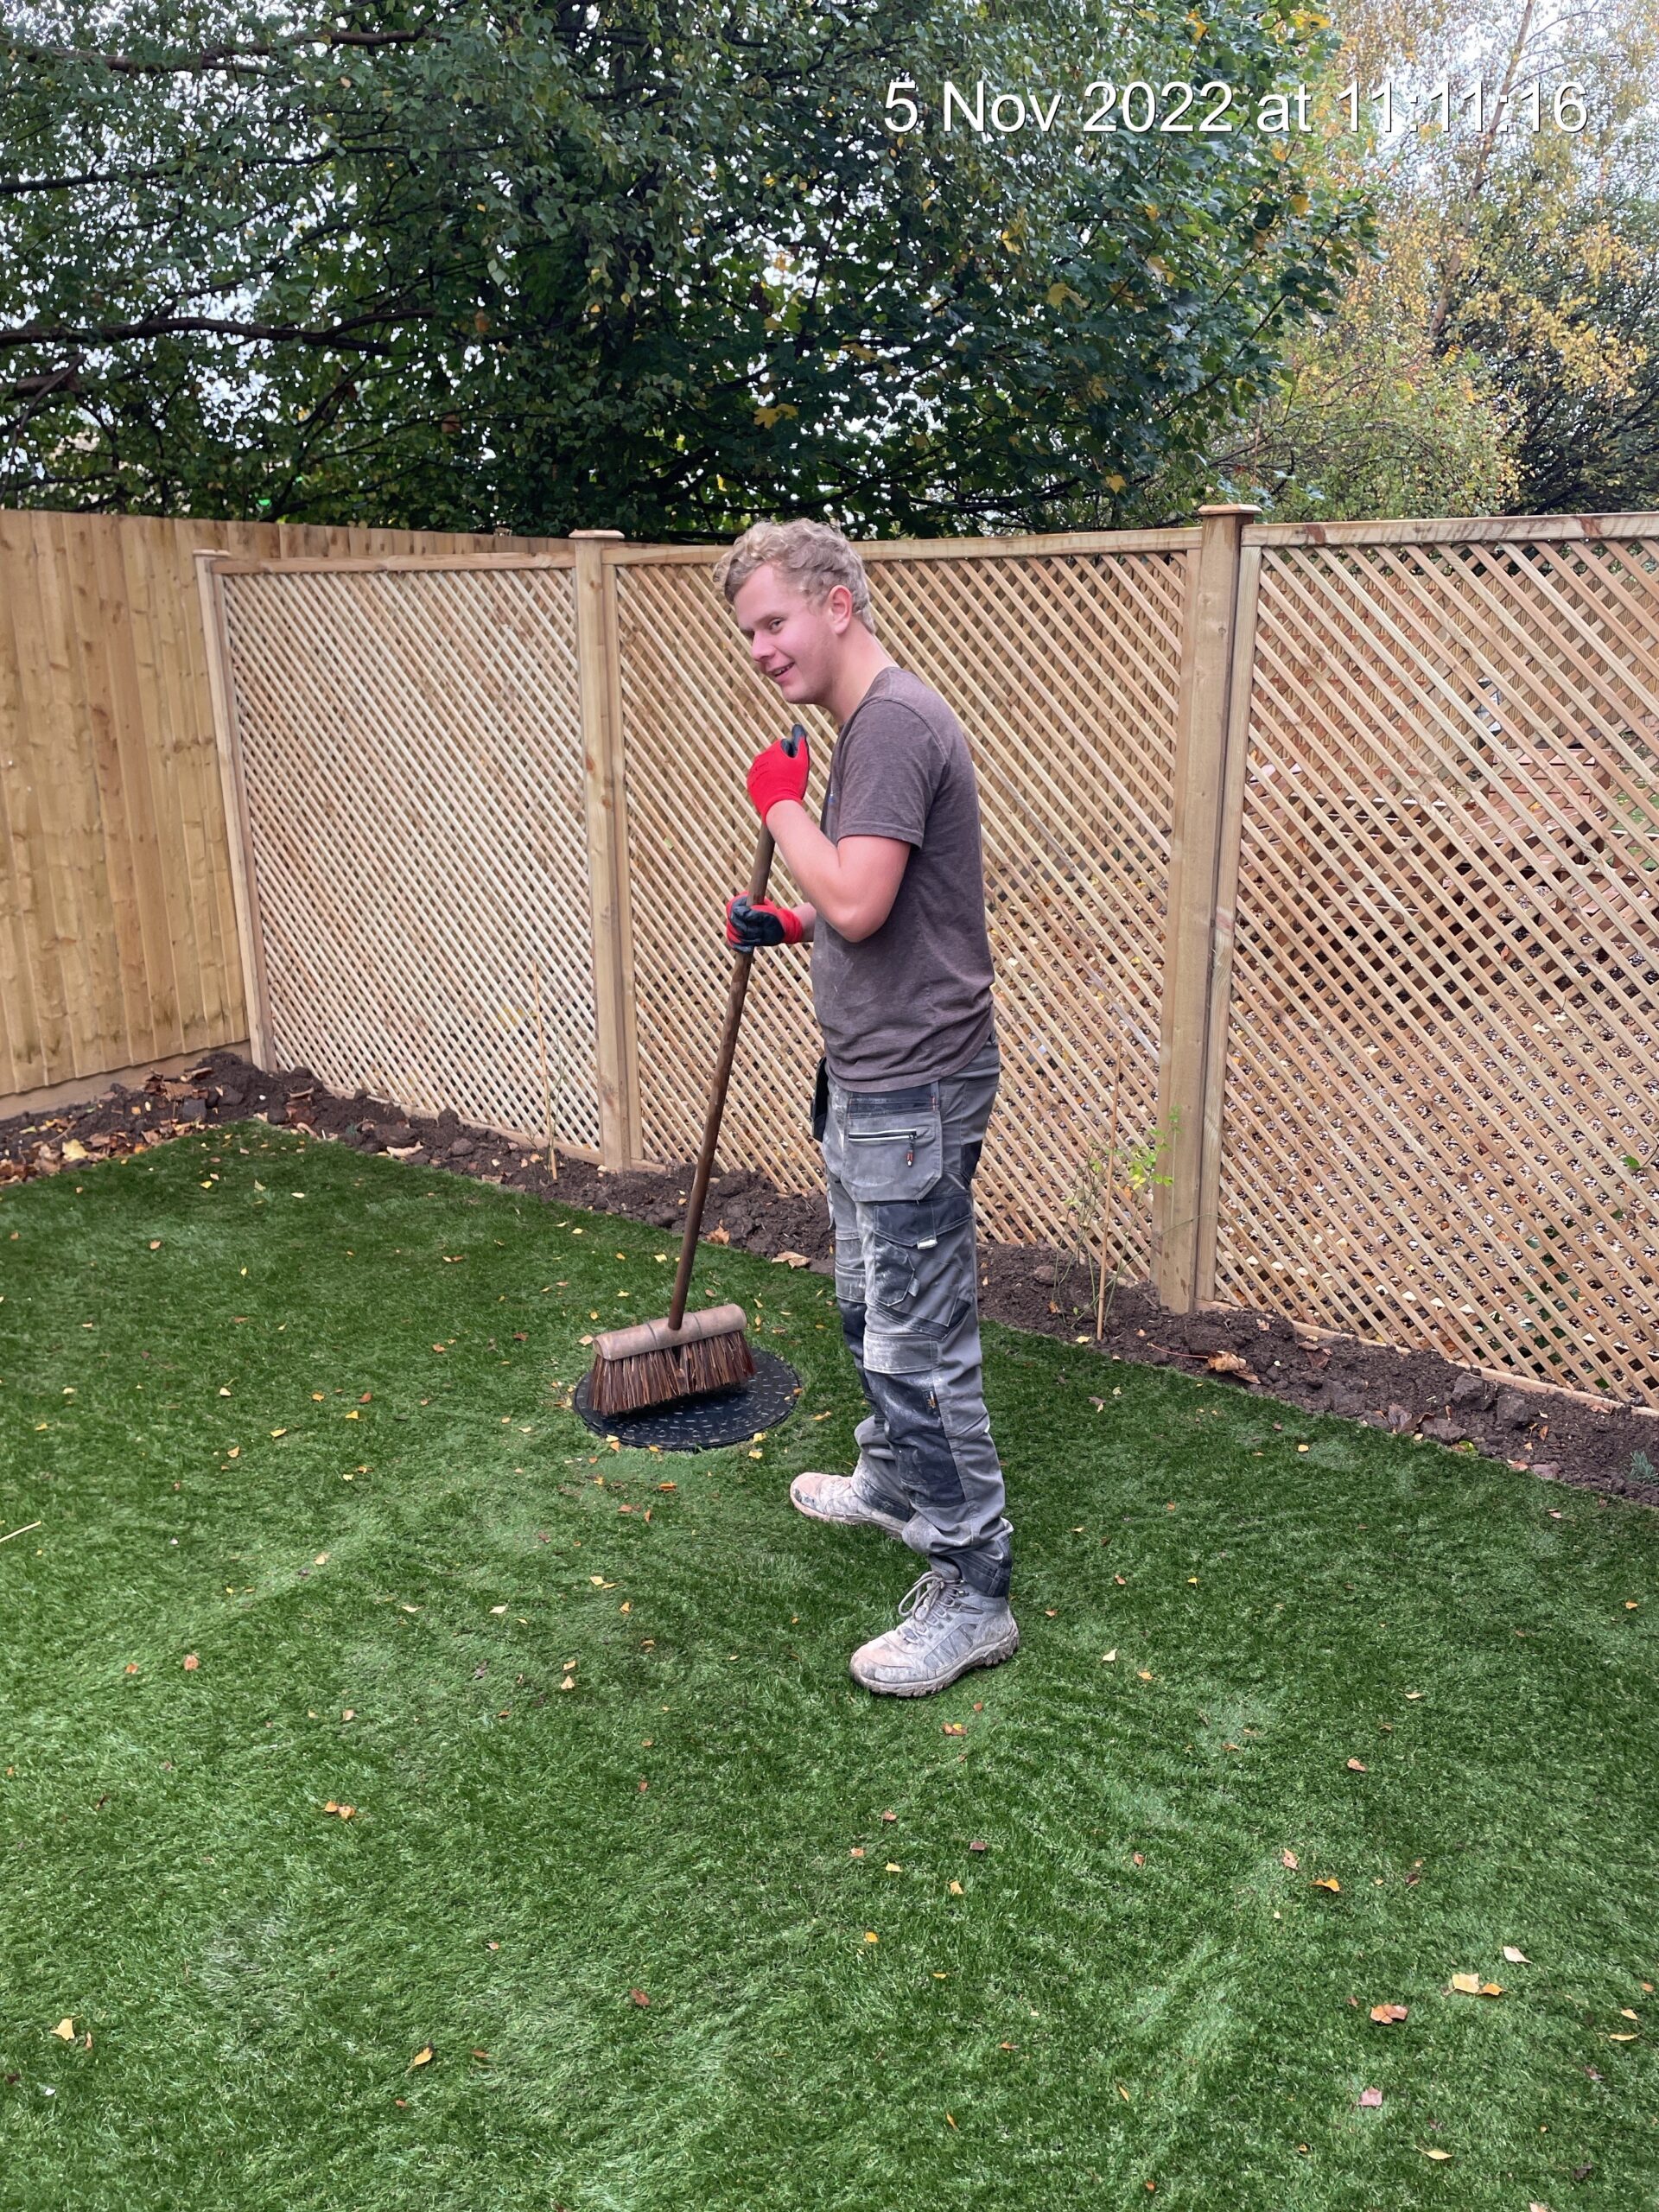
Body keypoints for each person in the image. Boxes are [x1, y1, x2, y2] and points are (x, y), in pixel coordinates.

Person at [709, 518, 1017, 1696]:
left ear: (839, 604)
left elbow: (863, 903)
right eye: (749, 632)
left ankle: (974, 1585)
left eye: (774, 622)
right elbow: (875, 903)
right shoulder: (872, 726)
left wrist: (782, 812)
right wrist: (787, 921)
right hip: (872, 1070)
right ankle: (893, 1478)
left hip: (911, 1083)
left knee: (918, 1342)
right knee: (864, 1305)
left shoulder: (886, 725)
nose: (761, 649)